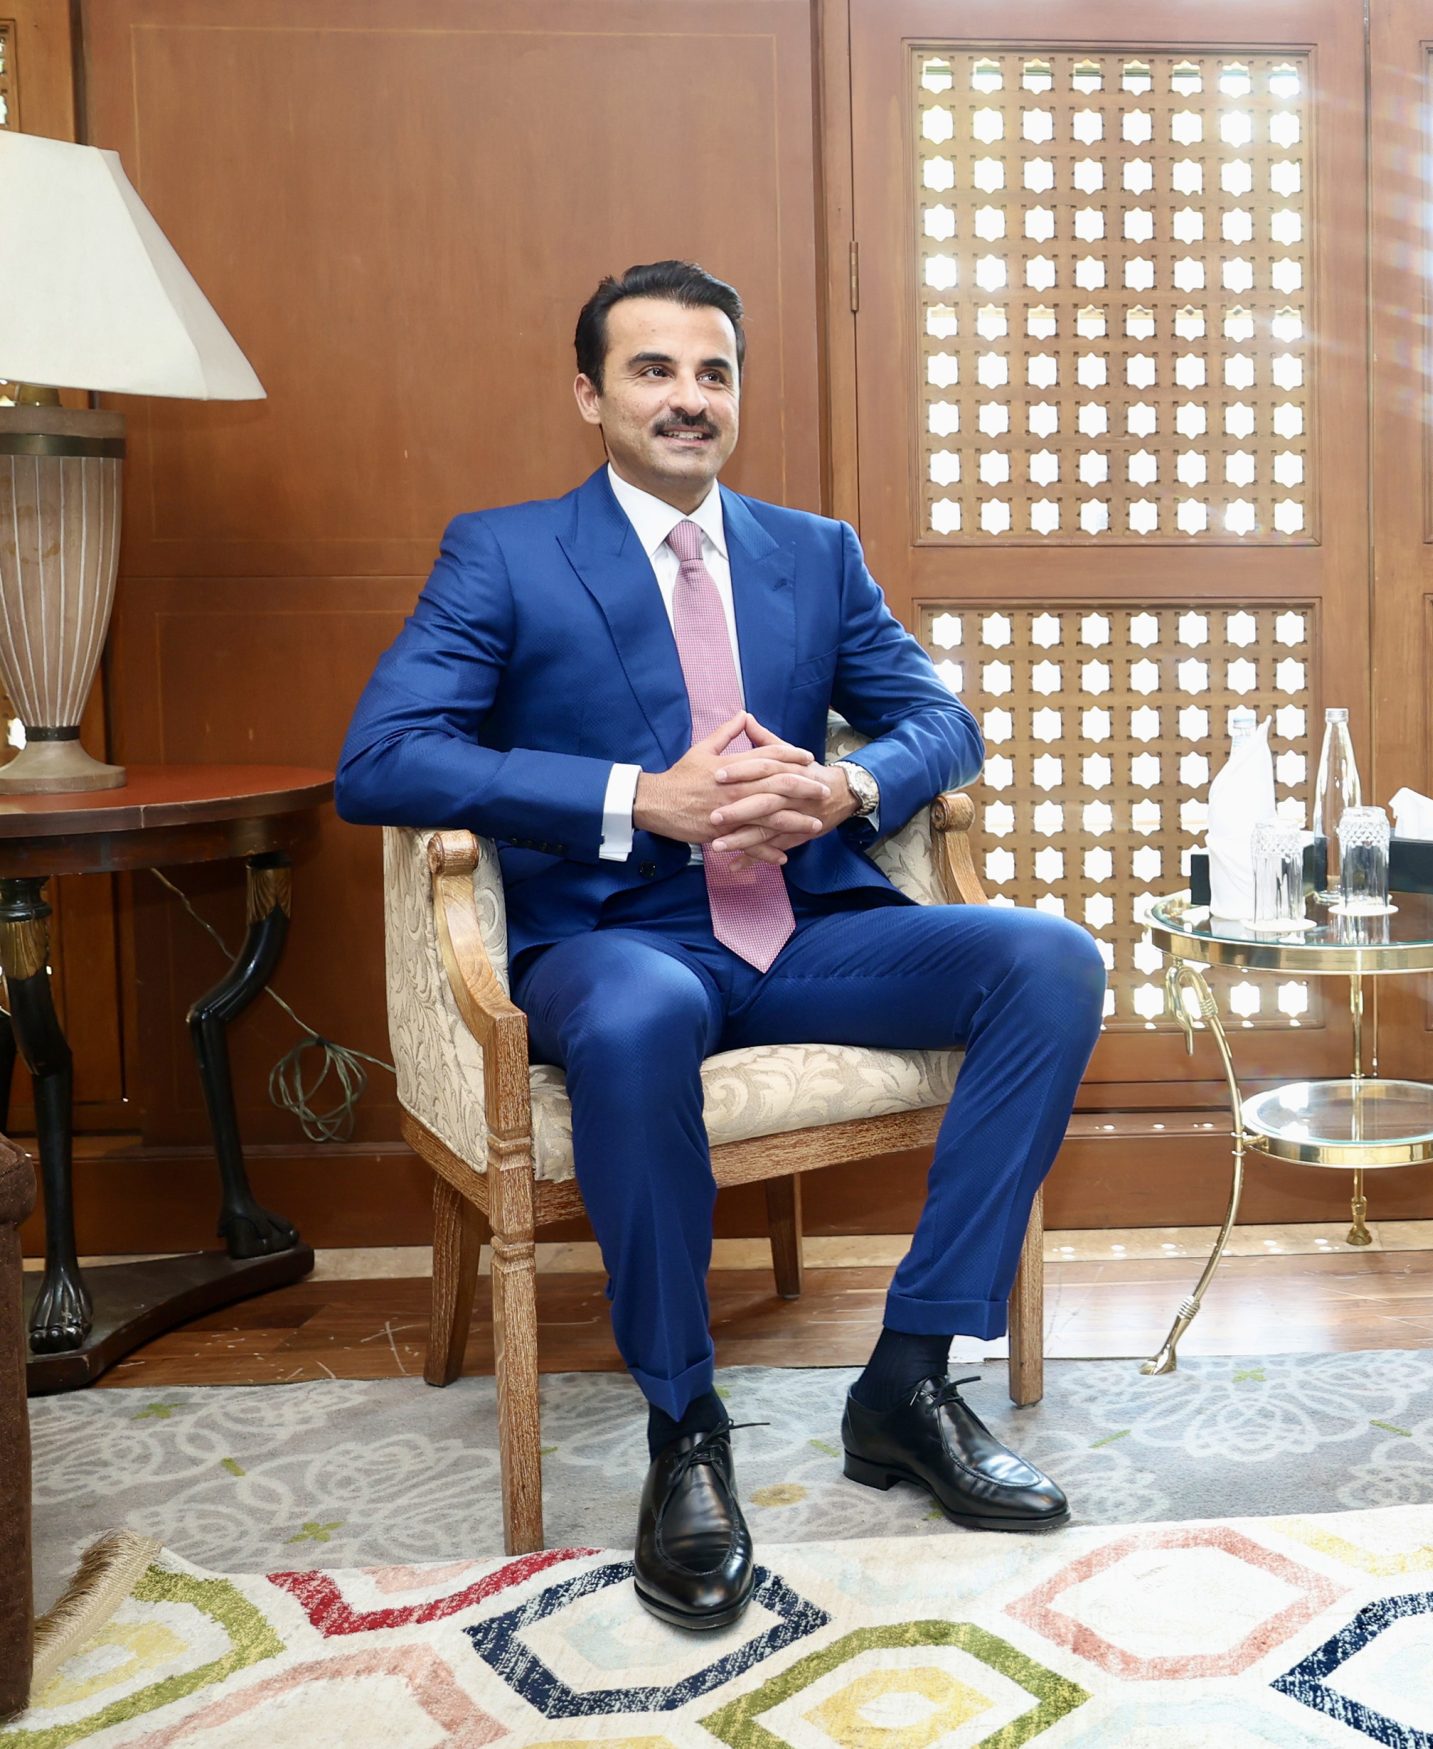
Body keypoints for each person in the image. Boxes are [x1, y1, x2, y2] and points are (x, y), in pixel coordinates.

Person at [338, 261, 1103, 1630]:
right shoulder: (506, 554)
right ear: (590, 394)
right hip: (617, 939)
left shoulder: (815, 552)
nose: (688, 399)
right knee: (636, 1019)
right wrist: (638, 800)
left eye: (713, 373)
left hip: (805, 934)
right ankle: (685, 1429)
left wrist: (847, 788)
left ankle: (909, 1378)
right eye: (653, 370)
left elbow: (944, 724)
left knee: (1050, 960)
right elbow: (383, 759)